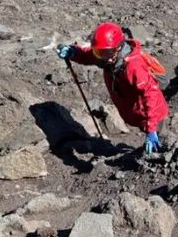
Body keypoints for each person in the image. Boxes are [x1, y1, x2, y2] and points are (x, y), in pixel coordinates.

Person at [56, 21, 169, 154]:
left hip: (151, 113)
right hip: (136, 111)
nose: (101, 57)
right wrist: (74, 53)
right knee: (149, 141)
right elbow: (89, 56)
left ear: (119, 48)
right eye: (99, 52)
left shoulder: (134, 67)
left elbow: (151, 95)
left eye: (105, 53)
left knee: (160, 145)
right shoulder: (108, 56)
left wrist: (151, 129)